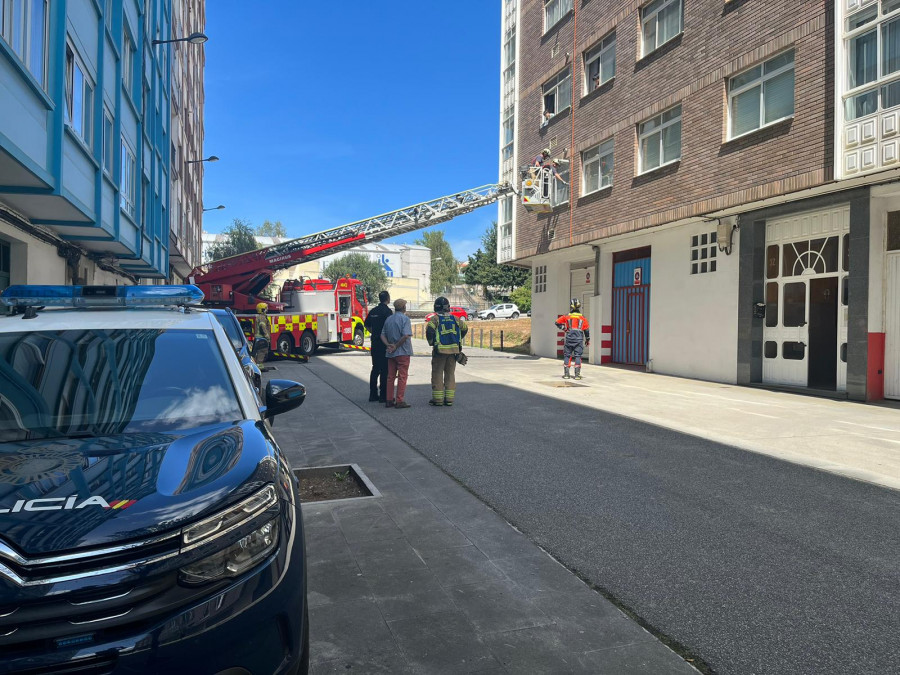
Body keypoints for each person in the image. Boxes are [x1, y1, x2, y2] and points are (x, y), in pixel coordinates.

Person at [426, 296, 468, 407]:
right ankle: (449, 399)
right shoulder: (455, 319)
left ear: (436, 307)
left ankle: (438, 400)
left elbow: (430, 331)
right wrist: (457, 339)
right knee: (450, 374)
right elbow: (465, 328)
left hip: (439, 351)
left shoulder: (435, 319)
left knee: (437, 374)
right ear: (448, 308)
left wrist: (432, 343)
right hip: (454, 352)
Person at [381, 298, 413, 409]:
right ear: (404, 307)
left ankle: (389, 400)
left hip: (390, 353)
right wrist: (396, 346)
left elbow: (382, 335)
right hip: (403, 352)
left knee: (390, 377)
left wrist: (388, 345)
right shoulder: (405, 319)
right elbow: (405, 335)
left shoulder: (389, 319)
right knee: (402, 377)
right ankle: (399, 400)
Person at [364, 290, 393, 402]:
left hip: (375, 343)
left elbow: (366, 325)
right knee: (385, 370)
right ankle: (383, 395)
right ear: (388, 299)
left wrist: (374, 332)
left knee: (375, 368)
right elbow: (390, 328)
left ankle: (372, 394)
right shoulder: (388, 312)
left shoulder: (373, 311)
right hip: (384, 343)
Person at [555, 298, 590, 380]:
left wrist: (564, 328)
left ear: (571, 306)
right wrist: (587, 340)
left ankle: (566, 375)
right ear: (579, 306)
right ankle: (577, 375)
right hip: (579, 339)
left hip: (569, 339)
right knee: (578, 356)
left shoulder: (567, 316)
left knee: (567, 355)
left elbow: (557, 322)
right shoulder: (583, 318)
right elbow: (586, 330)